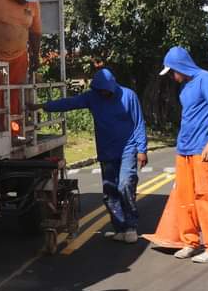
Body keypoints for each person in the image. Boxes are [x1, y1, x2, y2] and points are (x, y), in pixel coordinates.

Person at [40, 68, 148, 242]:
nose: (103, 93)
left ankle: (130, 226)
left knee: (125, 184)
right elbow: (69, 103)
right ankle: (119, 228)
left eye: (105, 90)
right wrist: (43, 106)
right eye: (100, 90)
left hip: (128, 148)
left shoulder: (129, 96)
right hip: (106, 151)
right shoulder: (93, 97)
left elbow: (138, 123)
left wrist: (142, 149)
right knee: (110, 191)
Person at [144, 46, 208, 263]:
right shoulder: (186, 85)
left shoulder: (206, 79)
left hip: (203, 150)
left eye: (174, 71)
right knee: (185, 197)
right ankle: (190, 242)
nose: (174, 76)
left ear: (181, 66)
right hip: (184, 150)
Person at [0, 0, 42, 124]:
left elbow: (35, 32)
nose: (26, 1)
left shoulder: (33, 4)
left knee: (15, 93)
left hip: (19, 57)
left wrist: (35, 56)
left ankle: (14, 131)